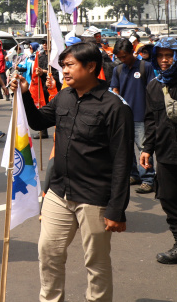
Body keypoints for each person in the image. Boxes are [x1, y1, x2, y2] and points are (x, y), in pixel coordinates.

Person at [11, 42, 133, 302]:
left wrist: (116, 209)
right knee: (48, 252)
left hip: (95, 197)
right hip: (59, 192)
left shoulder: (115, 107)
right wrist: (24, 94)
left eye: (69, 65)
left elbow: (122, 161)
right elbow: (38, 121)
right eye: (62, 65)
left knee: (96, 264)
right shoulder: (64, 96)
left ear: (90, 67)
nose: (63, 71)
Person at [142, 38, 177, 265]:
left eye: (168, 55)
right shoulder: (153, 85)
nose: (164, 60)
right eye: (160, 56)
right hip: (166, 155)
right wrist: (147, 148)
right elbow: (151, 120)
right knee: (170, 200)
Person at [110, 39, 155, 194]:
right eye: (119, 57)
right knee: (126, 149)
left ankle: (148, 179)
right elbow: (114, 88)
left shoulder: (146, 67)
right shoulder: (118, 69)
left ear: (131, 52)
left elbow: (152, 90)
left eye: (124, 56)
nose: (122, 59)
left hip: (142, 116)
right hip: (124, 117)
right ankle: (133, 175)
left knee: (144, 148)